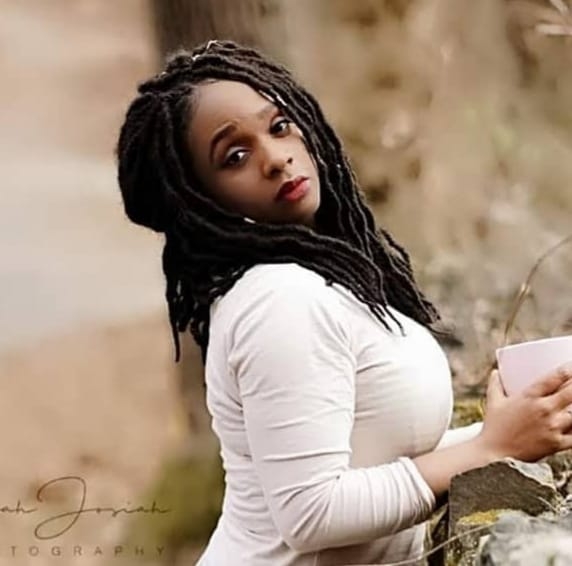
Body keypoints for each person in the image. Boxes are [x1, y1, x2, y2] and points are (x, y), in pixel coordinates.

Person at [115, 39, 572, 565]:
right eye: (234, 157)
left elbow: (377, 463)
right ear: (200, 199)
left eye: (279, 126)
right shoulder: (278, 301)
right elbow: (311, 513)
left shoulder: (317, 282)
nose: (275, 158)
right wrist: (490, 449)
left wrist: (517, 426)